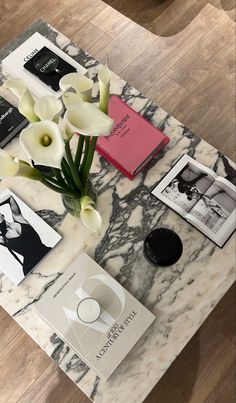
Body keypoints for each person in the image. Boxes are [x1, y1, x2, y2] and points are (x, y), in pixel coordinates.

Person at [0, 194, 51, 276]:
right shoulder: (2, 239)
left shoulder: (19, 218)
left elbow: (10, 198)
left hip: (47, 253)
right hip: (32, 268)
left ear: (2, 215)